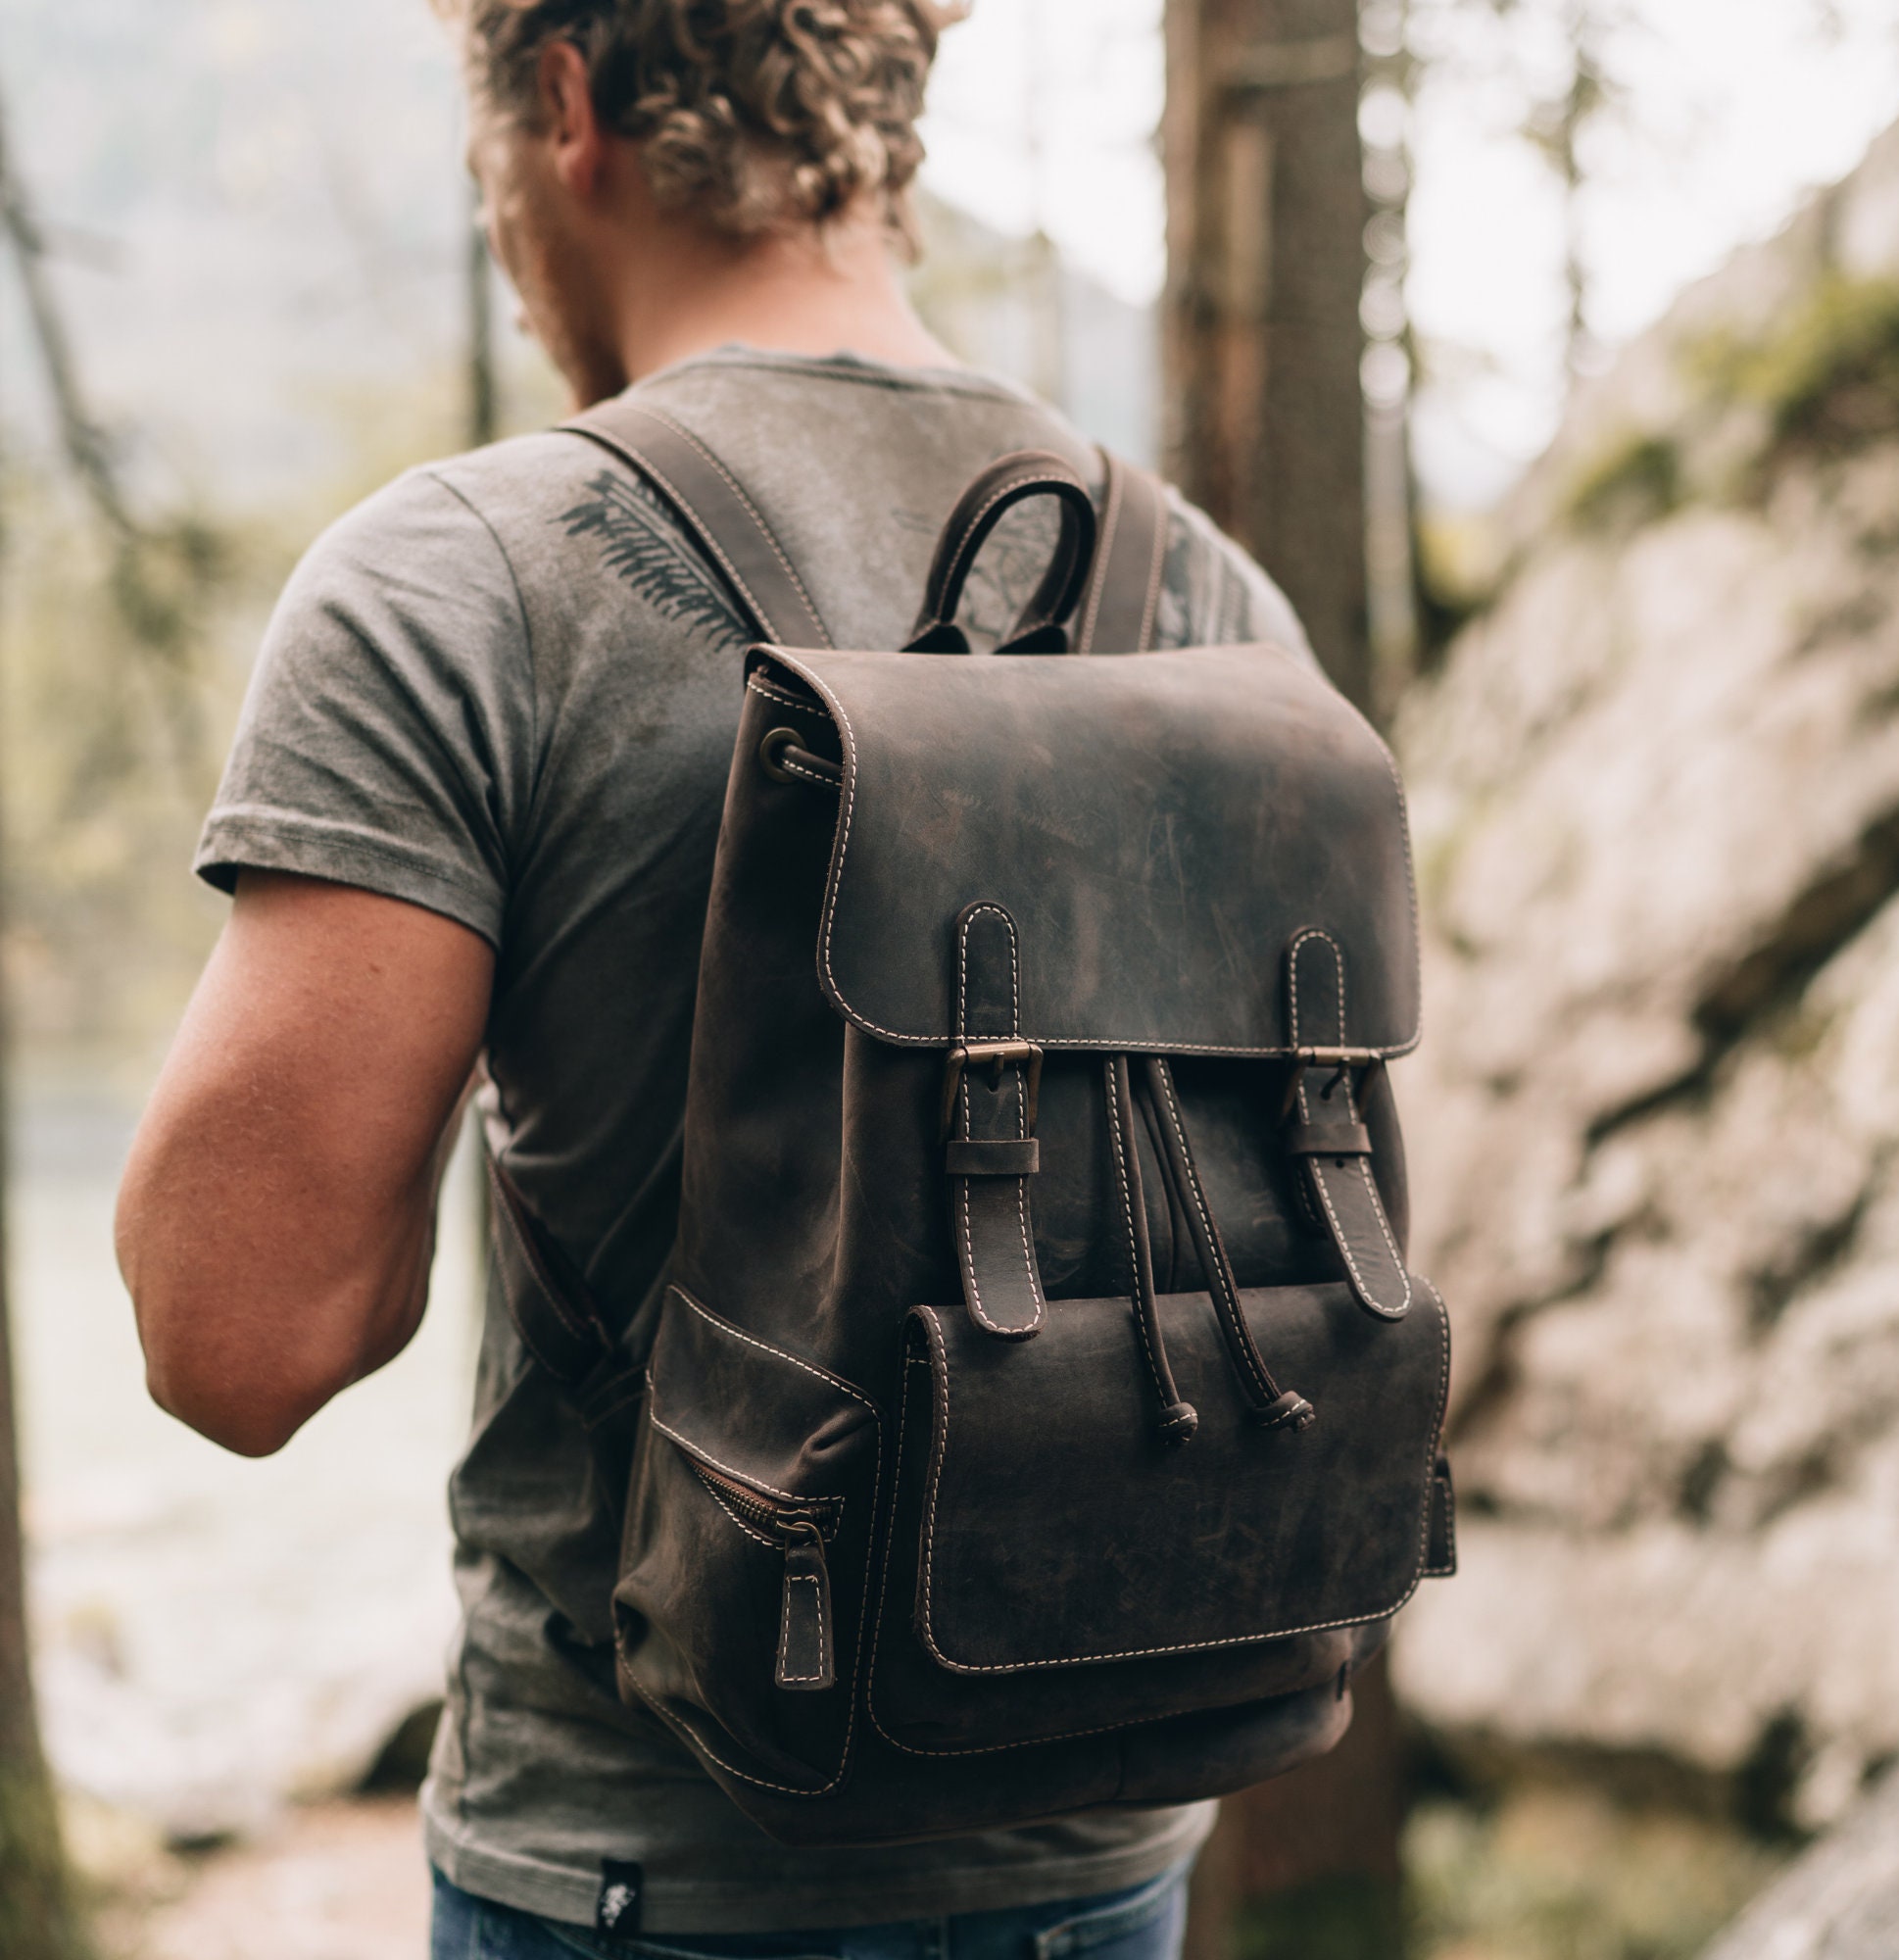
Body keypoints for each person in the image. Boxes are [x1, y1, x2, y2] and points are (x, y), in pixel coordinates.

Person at [116, 4, 1314, 1954]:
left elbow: (235, 1338)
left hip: (633, 1873)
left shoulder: (469, 576)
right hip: (1106, 1849)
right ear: (887, 120)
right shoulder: (1205, 595)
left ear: (565, 105)